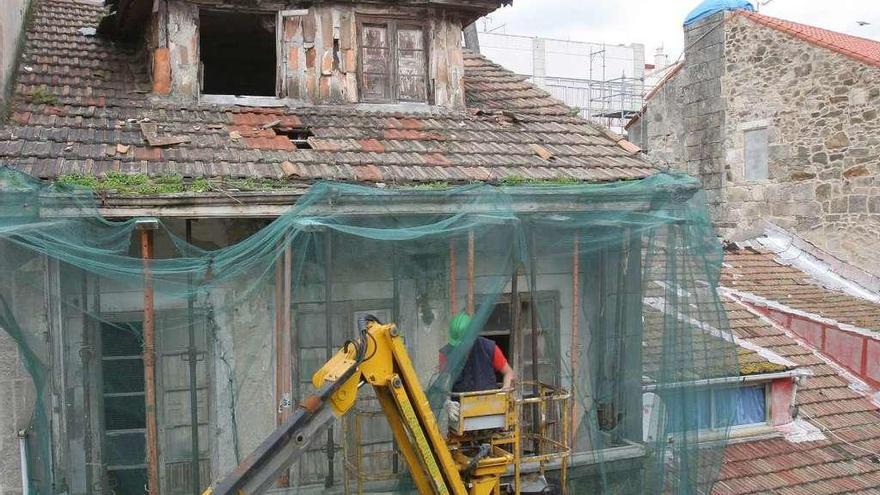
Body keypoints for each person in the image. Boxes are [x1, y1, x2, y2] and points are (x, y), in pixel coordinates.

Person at [439, 312, 515, 393]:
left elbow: (508, 372)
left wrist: (505, 390)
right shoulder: (445, 354)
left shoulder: (489, 348)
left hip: (489, 401)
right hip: (459, 403)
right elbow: (443, 381)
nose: (460, 347)